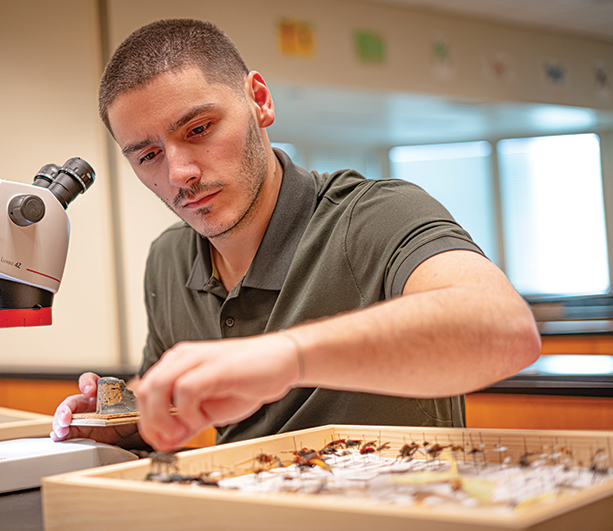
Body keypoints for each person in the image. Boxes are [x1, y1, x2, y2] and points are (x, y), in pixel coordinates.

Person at [51, 19, 540, 452]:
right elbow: (166, 398)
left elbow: (505, 330)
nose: (179, 172)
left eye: (199, 128)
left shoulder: (374, 214)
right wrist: (127, 423)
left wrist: (285, 356)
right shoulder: (169, 258)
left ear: (259, 101)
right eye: (148, 156)